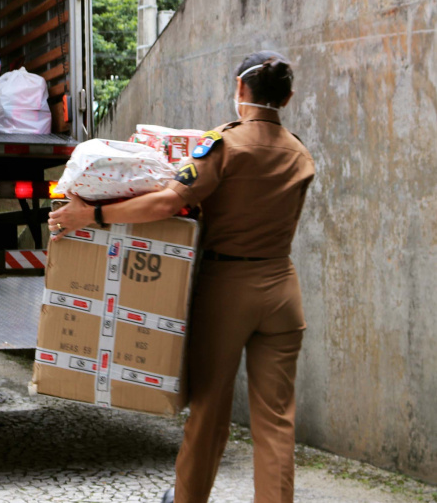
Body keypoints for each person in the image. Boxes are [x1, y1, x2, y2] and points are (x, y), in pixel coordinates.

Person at [48, 51, 315, 503]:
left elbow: (164, 204)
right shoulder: (300, 151)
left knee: (209, 409)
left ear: (239, 90)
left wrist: (90, 214)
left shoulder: (224, 145)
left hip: (227, 289)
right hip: (283, 291)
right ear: (287, 98)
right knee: (276, 421)